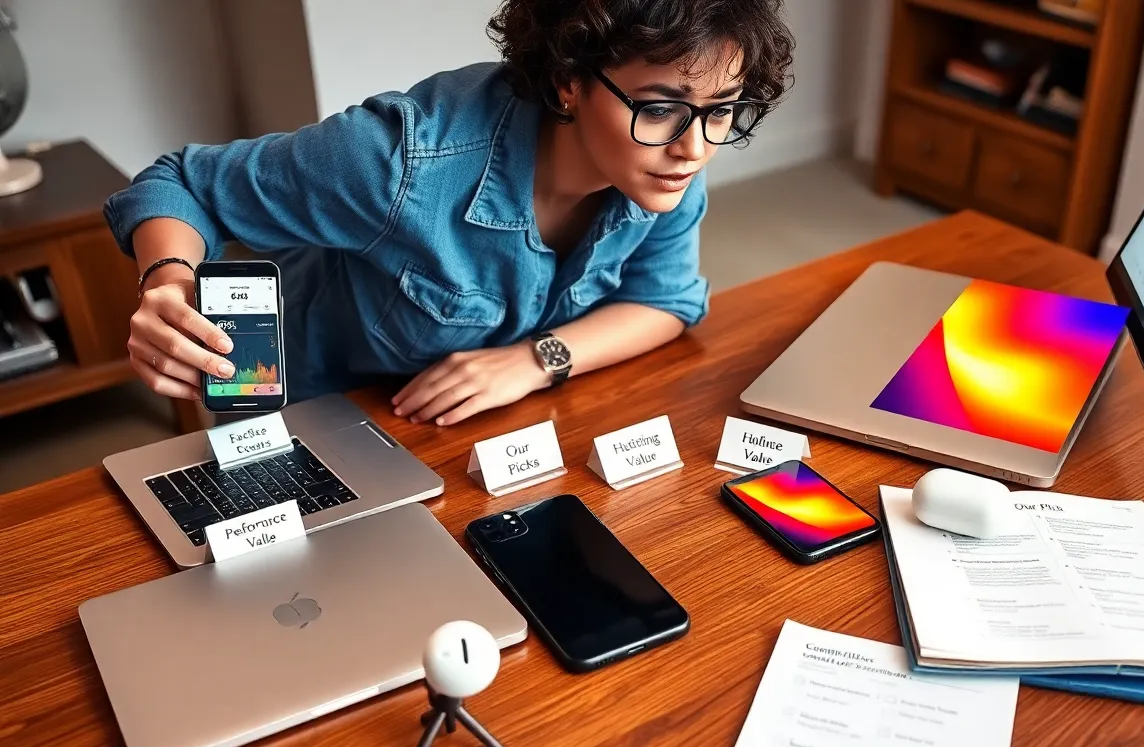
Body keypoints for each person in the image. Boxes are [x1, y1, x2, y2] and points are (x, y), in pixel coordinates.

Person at [105, 0, 794, 427]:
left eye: (723, 108)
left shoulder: (661, 164)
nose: (696, 146)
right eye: (661, 104)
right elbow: (181, 183)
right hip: (312, 410)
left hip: (476, 416)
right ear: (569, 81)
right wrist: (167, 283)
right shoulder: (397, 161)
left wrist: (533, 360)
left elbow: (665, 301)